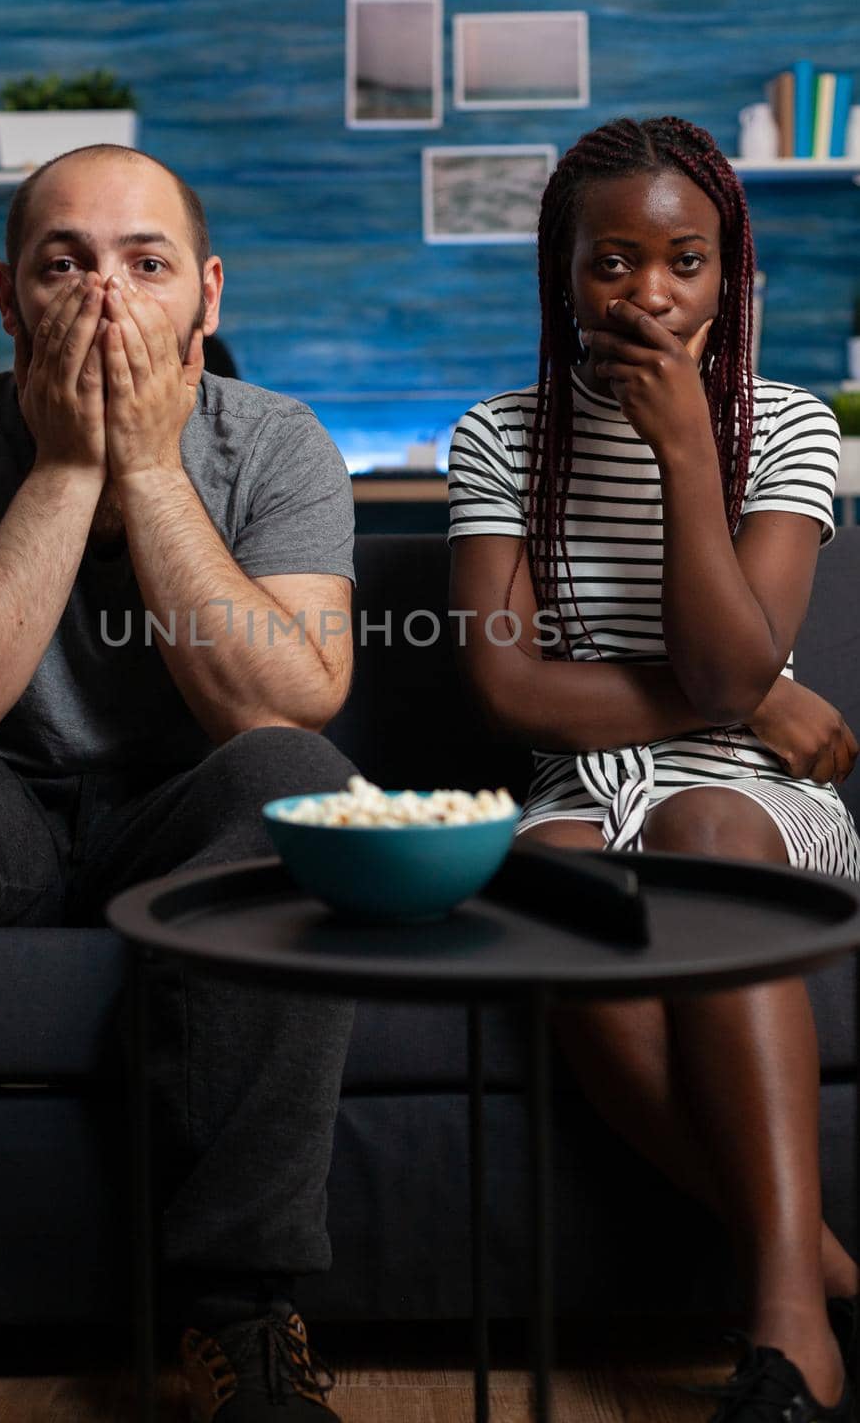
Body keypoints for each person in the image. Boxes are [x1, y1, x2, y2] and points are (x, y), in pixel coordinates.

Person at [0, 143, 360, 1423]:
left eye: (145, 263)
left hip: (186, 815)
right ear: (7, 299)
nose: (107, 296)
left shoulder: (278, 444)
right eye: (66, 263)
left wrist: (151, 468)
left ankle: (239, 1323)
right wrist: (63, 469)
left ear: (206, 297)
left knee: (295, 774)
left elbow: (281, 703)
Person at [448, 115, 860, 1423]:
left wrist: (688, 446)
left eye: (682, 260)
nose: (647, 292)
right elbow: (512, 686)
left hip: (752, 802)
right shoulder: (497, 438)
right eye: (609, 263)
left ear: (726, 273)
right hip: (579, 795)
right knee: (545, 878)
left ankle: (785, 1325)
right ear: (561, 277)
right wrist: (749, 695)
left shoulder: (788, 428)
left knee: (702, 820)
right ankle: (812, 1255)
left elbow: (732, 675)